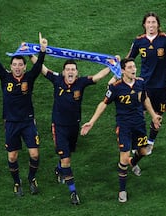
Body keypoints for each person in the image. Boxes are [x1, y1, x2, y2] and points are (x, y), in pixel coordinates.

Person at [30, 54, 112, 205]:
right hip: (59, 127)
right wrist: (31, 54)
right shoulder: (57, 80)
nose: (70, 72)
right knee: (66, 159)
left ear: (77, 73)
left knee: (68, 155)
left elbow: (97, 77)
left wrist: (112, 66)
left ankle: (58, 168)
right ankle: (73, 192)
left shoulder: (81, 83)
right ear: (63, 72)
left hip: (74, 127)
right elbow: (42, 69)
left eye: (73, 69)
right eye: (67, 69)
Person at [81, 58, 162, 203]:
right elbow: (103, 104)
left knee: (144, 151)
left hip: (139, 125)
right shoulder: (115, 87)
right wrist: (91, 122)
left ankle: (134, 162)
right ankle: (122, 190)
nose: (133, 69)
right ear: (123, 70)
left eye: (134, 67)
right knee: (123, 158)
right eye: (130, 67)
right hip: (124, 126)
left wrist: (154, 116)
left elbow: (145, 99)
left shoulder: (140, 83)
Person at [110, 12, 166, 155]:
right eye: (148, 22)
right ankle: (135, 143)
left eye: (154, 22)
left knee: (157, 115)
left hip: (162, 85)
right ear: (144, 25)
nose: (151, 25)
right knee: (139, 114)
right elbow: (128, 60)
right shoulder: (139, 41)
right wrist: (116, 68)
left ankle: (150, 141)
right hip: (144, 85)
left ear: (158, 24)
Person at [0, 31, 47, 197]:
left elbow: (38, 67)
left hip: (28, 122)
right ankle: (17, 182)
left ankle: (31, 178)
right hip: (11, 123)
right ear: (11, 66)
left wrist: (42, 50)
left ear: (24, 66)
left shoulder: (29, 78)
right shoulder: (5, 77)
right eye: (14, 64)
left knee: (35, 154)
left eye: (20, 65)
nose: (17, 67)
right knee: (13, 156)